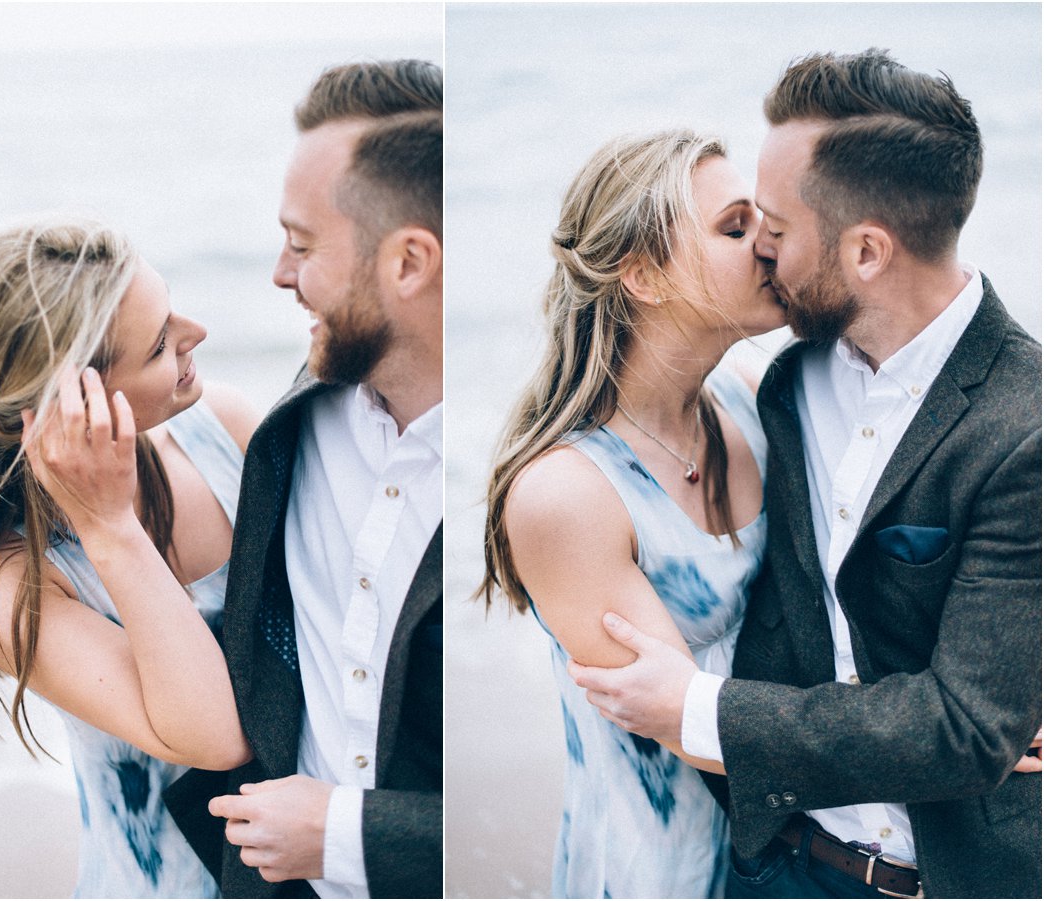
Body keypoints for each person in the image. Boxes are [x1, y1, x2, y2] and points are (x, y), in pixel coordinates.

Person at [571, 49, 1042, 898]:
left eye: (778, 233)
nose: (763, 254)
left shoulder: (1025, 426)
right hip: (784, 866)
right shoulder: (786, 386)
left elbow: (966, 725)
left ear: (865, 251)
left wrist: (699, 708)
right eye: (746, 227)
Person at [158, 60, 443, 898]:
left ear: (408, 262)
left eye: (304, 245)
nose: (281, 275)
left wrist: (350, 834)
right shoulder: (295, 420)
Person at [478, 129, 788, 897]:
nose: (770, 244)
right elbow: (690, 726)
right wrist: (934, 737)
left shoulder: (750, 397)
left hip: (786, 849)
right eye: (735, 226)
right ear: (645, 275)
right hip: (662, 866)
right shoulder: (568, 495)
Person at [0, 216, 261, 897]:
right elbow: (215, 737)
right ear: (77, 401)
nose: (196, 334)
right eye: (161, 342)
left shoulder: (225, 430)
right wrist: (107, 525)